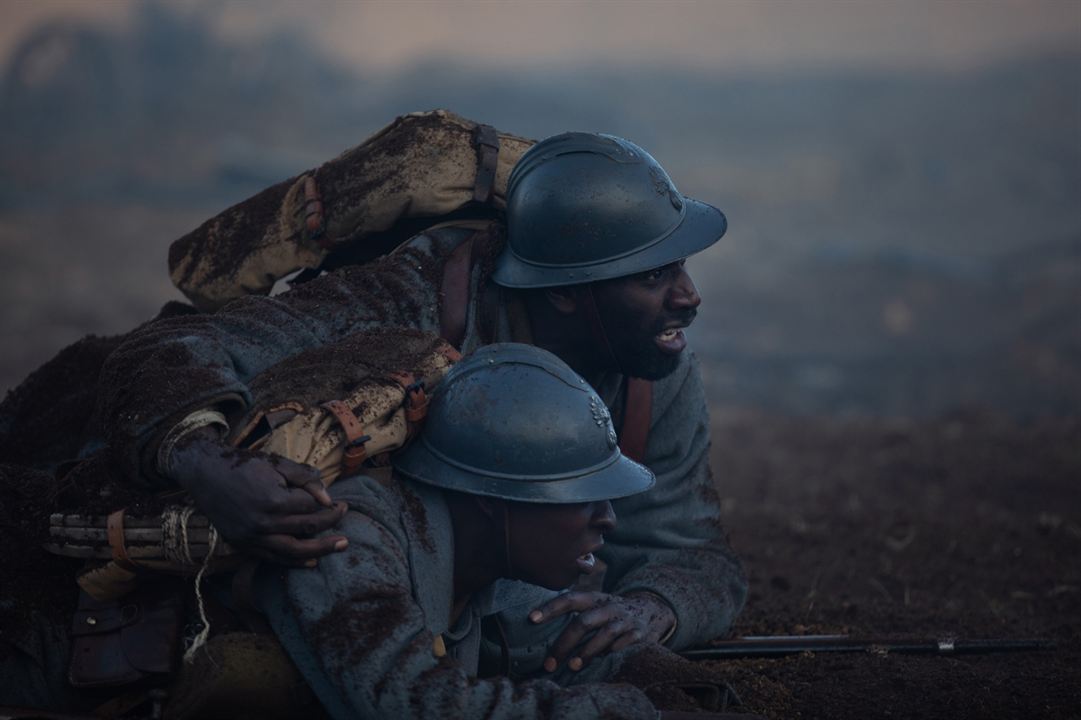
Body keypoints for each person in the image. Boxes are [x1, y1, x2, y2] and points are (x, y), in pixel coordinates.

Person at [91, 128, 748, 670]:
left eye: (681, 268)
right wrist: (211, 468)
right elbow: (168, 349)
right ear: (566, 291)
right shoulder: (407, 303)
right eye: (655, 275)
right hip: (353, 607)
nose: (688, 298)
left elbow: (691, 551)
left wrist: (651, 610)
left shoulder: (651, 372)